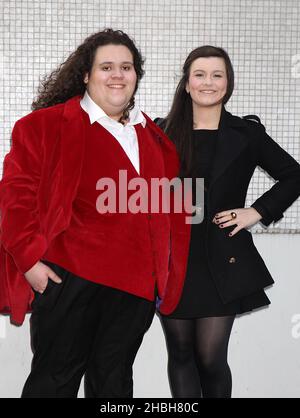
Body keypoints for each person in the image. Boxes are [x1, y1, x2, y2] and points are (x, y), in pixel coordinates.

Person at [0, 28, 181, 398]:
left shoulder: (155, 140)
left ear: (136, 76)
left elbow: (166, 215)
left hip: (134, 289)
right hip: (69, 280)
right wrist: (30, 261)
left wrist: (162, 278)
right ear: (86, 74)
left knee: (114, 387)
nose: (118, 75)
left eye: (127, 67)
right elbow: (14, 199)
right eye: (107, 66)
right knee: (55, 382)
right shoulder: (42, 126)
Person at [155, 45, 300, 398]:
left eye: (217, 75)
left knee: (210, 357)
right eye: (199, 75)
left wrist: (256, 212)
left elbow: (294, 175)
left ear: (228, 83)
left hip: (222, 258)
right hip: (173, 260)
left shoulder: (246, 133)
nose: (208, 82)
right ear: (186, 84)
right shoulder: (160, 132)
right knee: (180, 353)